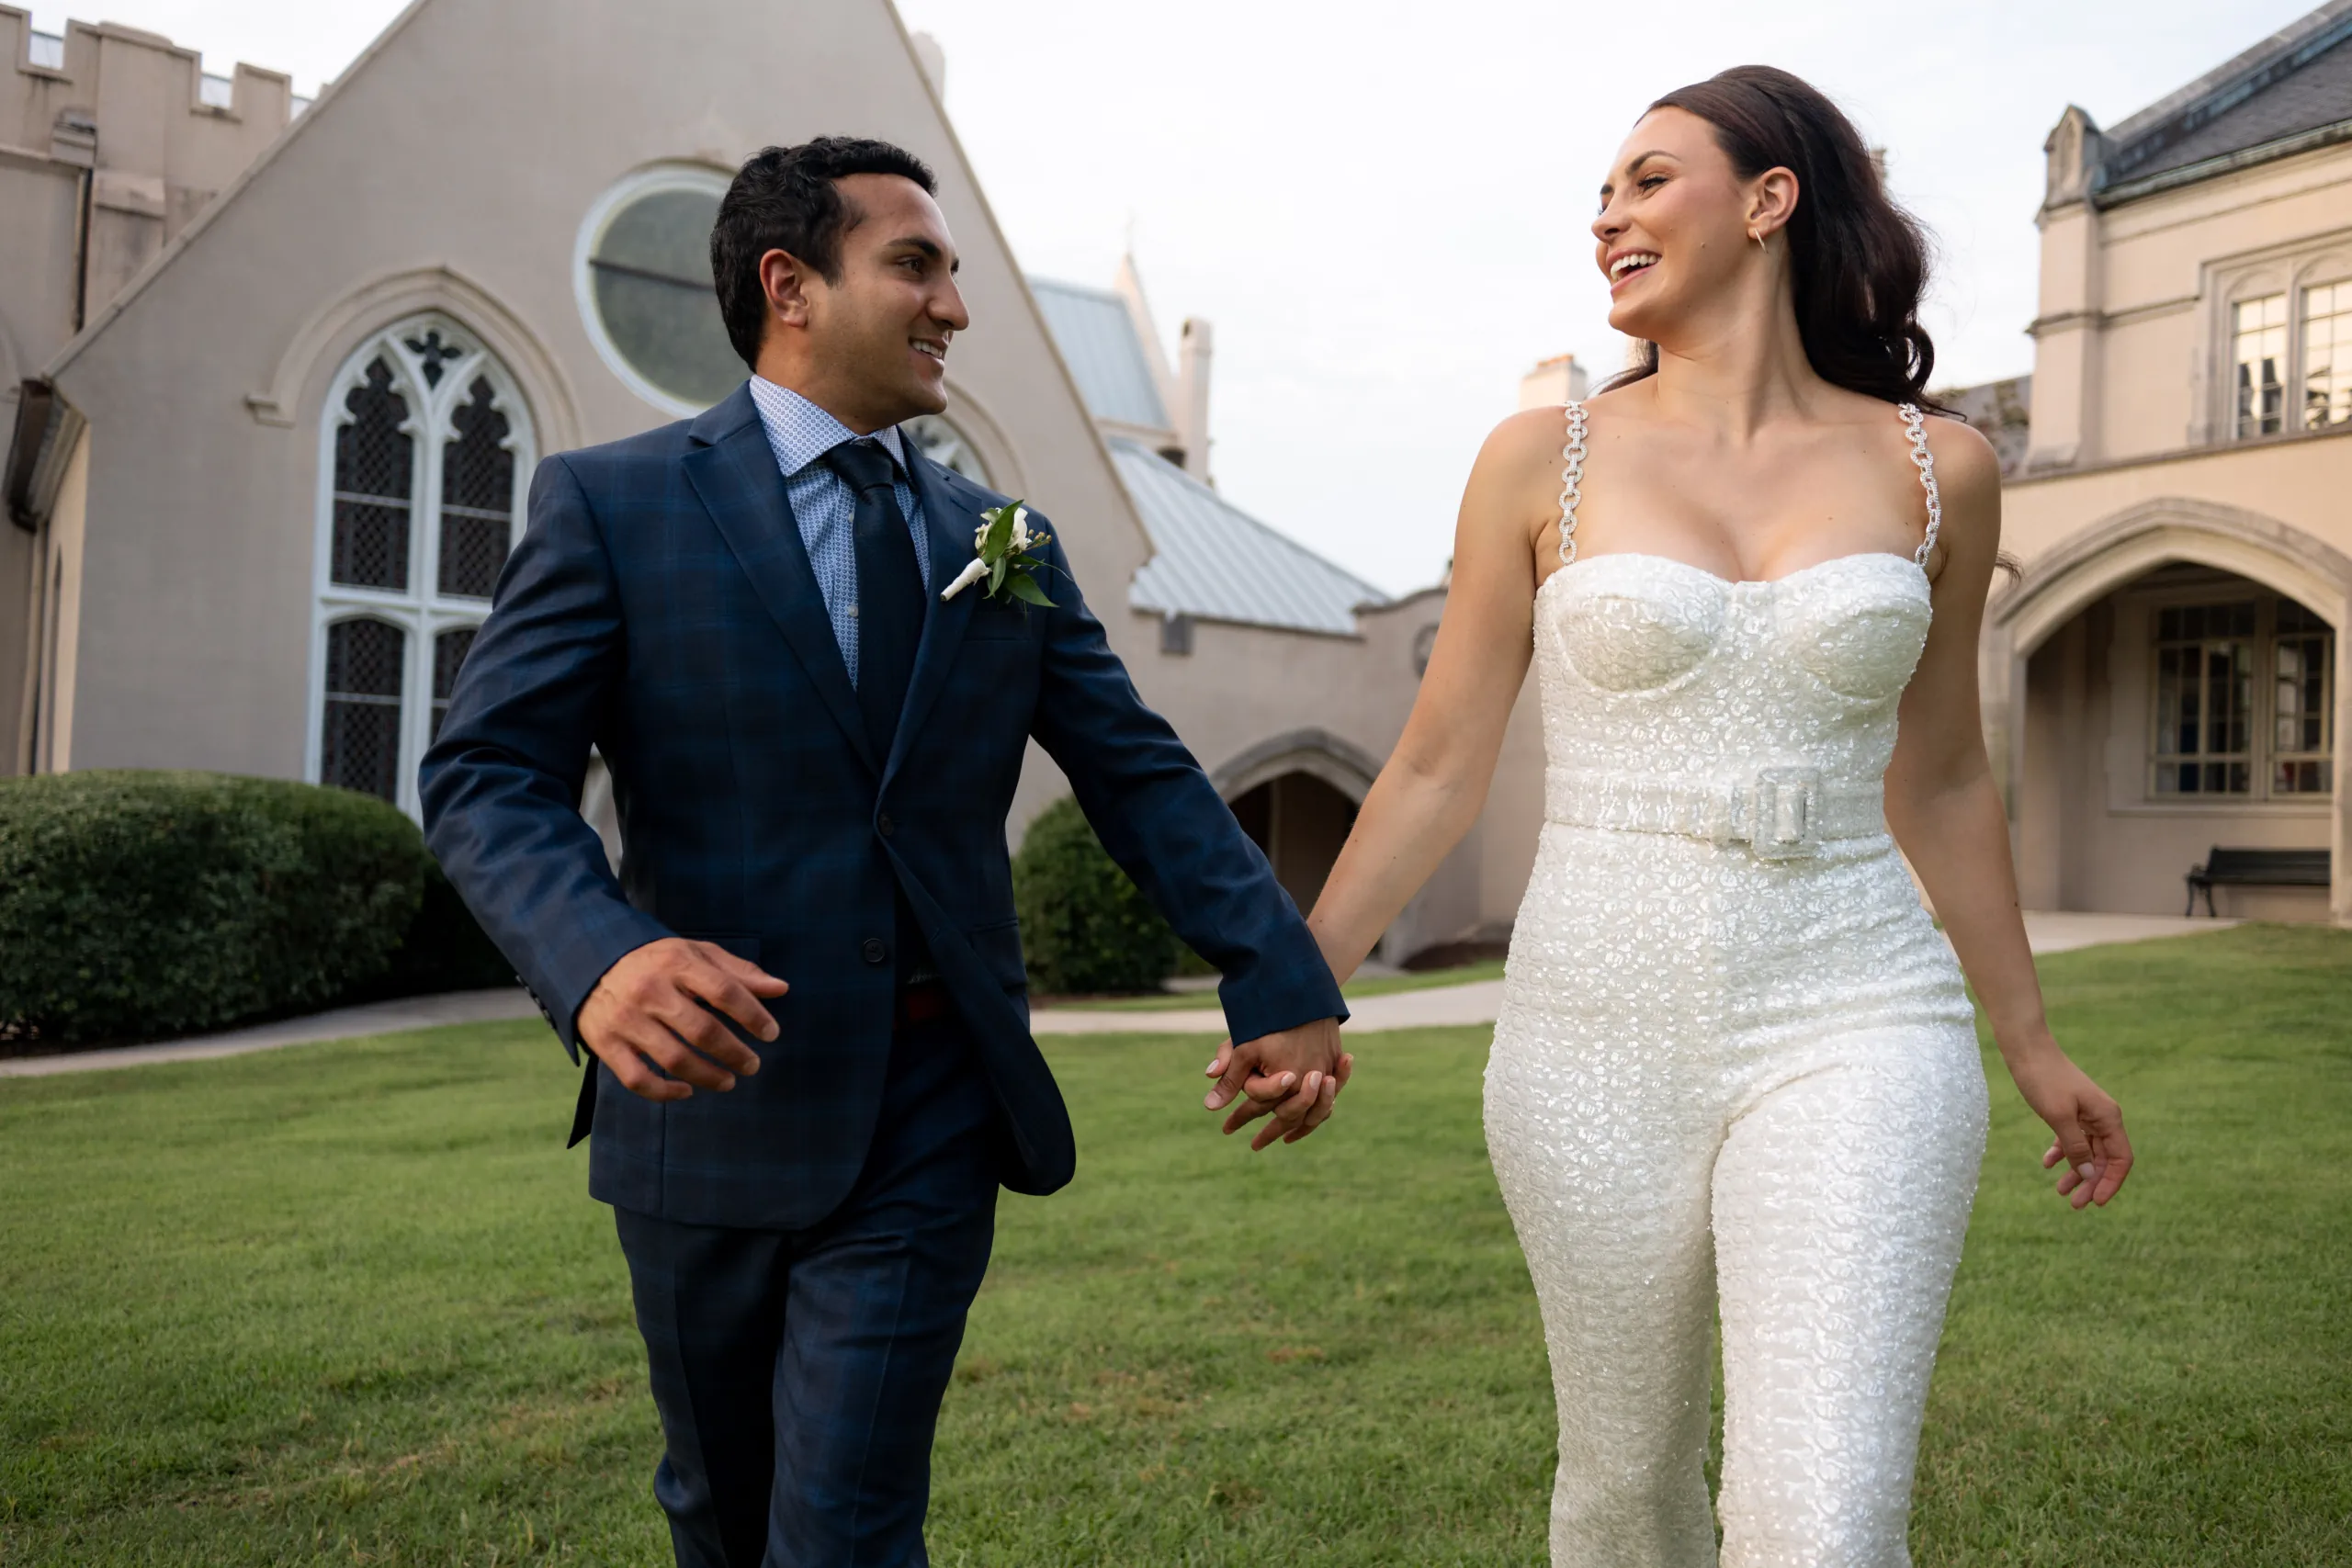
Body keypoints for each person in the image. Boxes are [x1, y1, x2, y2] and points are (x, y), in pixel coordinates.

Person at [1221, 66, 2135, 1565]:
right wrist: (1294, 978)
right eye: (1603, 194)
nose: (1609, 217)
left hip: (1863, 1004)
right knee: (1625, 1492)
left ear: (1769, 201)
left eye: (1648, 179)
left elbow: (1947, 773)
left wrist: (2029, 1040)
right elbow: (1441, 760)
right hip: (1593, 1019)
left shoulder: (1939, 465)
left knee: (1826, 1518)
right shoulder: (1543, 458)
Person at [421, 136, 1346, 1568]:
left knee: (845, 1527)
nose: (954, 306)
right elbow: (487, 774)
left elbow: (1141, 773)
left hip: (928, 1104)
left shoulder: (1003, 539)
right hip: (701, 1109)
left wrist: (1275, 969)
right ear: (790, 285)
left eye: (953, 272)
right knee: (719, 1509)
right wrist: (601, 960)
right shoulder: (613, 506)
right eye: (916, 264)